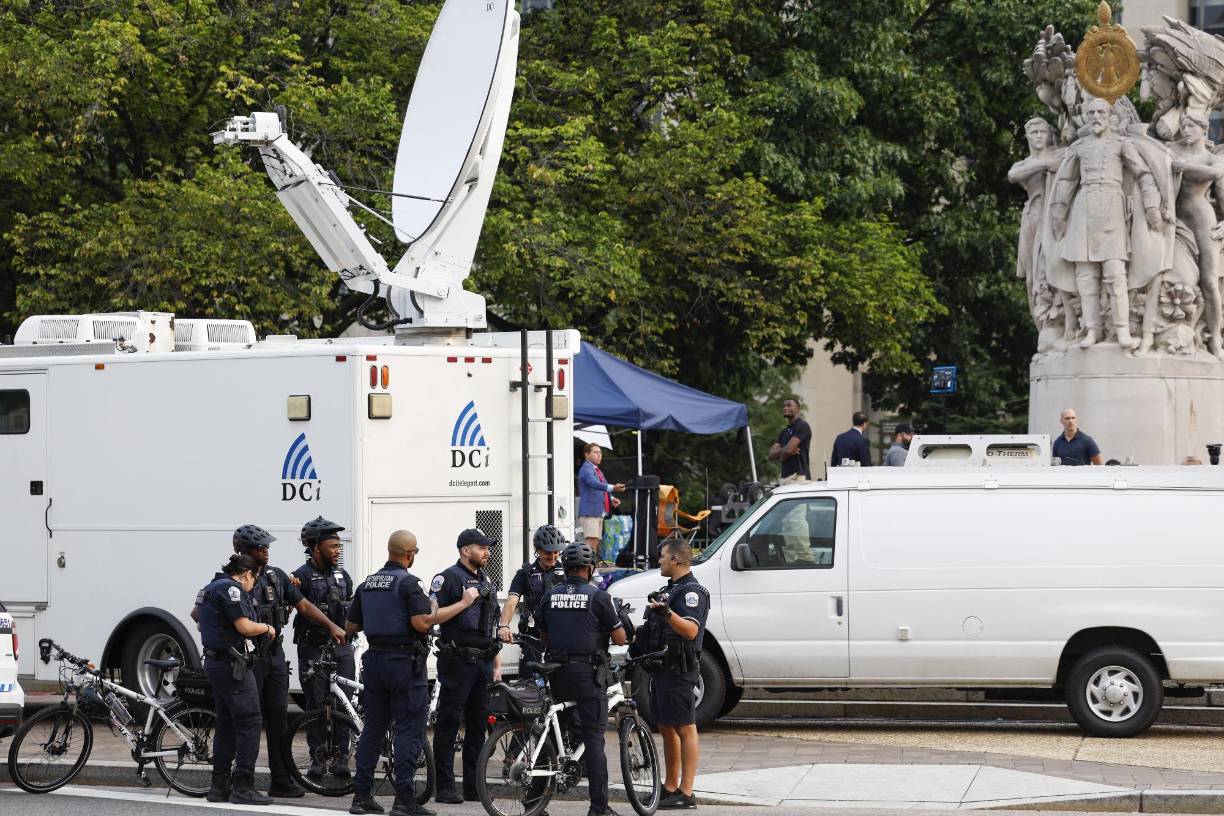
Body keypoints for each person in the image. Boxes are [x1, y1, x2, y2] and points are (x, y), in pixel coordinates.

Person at [232, 524, 345, 799]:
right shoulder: (234, 580)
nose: (266, 551)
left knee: (278, 720)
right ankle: (240, 781)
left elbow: (304, 605)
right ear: (245, 550)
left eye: (267, 546)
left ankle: (280, 779)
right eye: (261, 547)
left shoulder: (277, 576)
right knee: (248, 720)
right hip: (249, 658)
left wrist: (331, 625)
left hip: (274, 656)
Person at [347, 531, 455, 816]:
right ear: (409, 555)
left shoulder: (367, 584)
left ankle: (361, 796)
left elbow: (351, 626)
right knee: (409, 729)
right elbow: (421, 623)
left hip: (374, 662)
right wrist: (442, 607)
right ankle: (405, 799)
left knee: (373, 728)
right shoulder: (409, 583)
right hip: (404, 664)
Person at [536, 542, 629, 816]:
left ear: (565, 568)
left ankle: (534, 802)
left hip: (557, 673)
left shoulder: (550, 596)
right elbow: (620, 638)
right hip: (588, 675)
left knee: (551, 737)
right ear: (589, 569)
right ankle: (599, 809)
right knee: (594, 738)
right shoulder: (598, 597)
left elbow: (544, 635)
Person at [635, 539, 710, 810]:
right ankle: (669, 787)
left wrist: (666, 613)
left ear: (676, 559)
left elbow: (690, 630)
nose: (659, 561)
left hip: (680, 669)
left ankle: (686, 793)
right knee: (666, 727)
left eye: (662, 556)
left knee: (685, 727)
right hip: (663, 668)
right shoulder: (672, 590)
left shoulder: (692, 592)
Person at [196, 553, 275, 805]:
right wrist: (267, 628)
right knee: (250, 721)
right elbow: (244, 627)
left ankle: (219, 786)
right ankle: (243, 786)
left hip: (215, 662)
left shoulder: (209, 587)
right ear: (248, 574)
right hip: (232, 664)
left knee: (226, 722)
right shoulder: (232, 589)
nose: (253, 586)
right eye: (254, 579)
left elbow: (196, 617)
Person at [430, 528, 502, 805]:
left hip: (483, 661)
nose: (487, 552)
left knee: (478, 725)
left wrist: (496, 662)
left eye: (487, 547)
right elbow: (431, 616)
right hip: (457, 660)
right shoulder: (447, 578)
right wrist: (463, 602)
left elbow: (490, 625)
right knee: (448, 723)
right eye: (481, 547)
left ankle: (473, 787)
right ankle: (445, 787)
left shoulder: (486, 579)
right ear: (465, 550)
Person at [291, 516, 356, 782]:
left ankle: (341, 757)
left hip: (342, 649)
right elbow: (300, 607)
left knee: (345, 702)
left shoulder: (343, 576)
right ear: (315, 547)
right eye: (332, 547)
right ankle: (318, 758)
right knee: (316, 705)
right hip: (313, 648)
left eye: (339, 547)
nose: (337, 551)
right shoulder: (300, 577)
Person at [498, 524, 566, 672]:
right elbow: (511, 603)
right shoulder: (524, 574)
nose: (553, 557)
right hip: (533, 636)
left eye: (556, 552)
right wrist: (504, 625)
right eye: (548, 552)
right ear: (537, 550)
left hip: (561, 636)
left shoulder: (567, 571)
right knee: (528, 682)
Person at [577, 443, 624, 549]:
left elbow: (602, 488)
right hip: (590, 512)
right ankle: (589, 565)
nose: (599, 455)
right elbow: (593, 483)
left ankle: (592, 565)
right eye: (595, 452)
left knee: (596, 541)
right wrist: (613, 488)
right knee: (592, 540)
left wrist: (611, 498)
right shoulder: (586, 468)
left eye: (600, 452)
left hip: (597, 512)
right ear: (587, 455)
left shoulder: (597, 470)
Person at [768, 397, 812, 483]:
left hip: (799, 477)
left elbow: (787, 451)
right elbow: (771, 455)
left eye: (789, 405)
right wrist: (785, 450)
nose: (785, 408)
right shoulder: (784, 431)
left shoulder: (802, 425)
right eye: (784, 406)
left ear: (798, 409)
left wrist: (783, 453)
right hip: (785, 477)